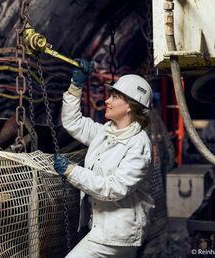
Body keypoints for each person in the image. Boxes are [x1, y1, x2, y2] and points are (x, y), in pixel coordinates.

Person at [53, 59, 155, 258]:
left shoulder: (139, 144)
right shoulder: (106, 133)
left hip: (119, 232)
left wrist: (72, 171)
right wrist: (76, 86)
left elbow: (115, 188)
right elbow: (73, 122)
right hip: (103, 227)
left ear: (130, 107)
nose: (107, 100)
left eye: (115, 96)